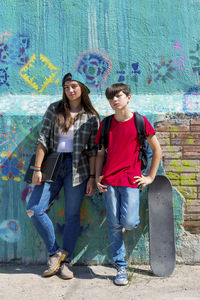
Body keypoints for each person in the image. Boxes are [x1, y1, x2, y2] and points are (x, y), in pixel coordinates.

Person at [26, 72, 99, 279]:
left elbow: (93, 150)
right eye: (66, 87)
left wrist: (93, 177)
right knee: (34, 208)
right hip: (52, 164)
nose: (70, 90)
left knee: (72, 215)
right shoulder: (54, 109)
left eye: (74, 86)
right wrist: (37, 169)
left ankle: (65, 261)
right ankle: (55, 252)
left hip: (78, 168)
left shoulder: (91, 117)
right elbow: (42, 140)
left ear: (82, 88)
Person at [95, 83, 162, 286]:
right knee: (114, 226)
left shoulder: (140, 122)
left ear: (128, 97)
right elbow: (99, 154)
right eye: (111, 98)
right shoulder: (106, 124)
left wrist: (150, 177)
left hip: (131, 180)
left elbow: (157, 150)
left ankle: (124, 226)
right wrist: (97, 177)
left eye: (119, 96)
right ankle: (121, 266)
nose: (115, 100)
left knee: (129, 222)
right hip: (108, 181)